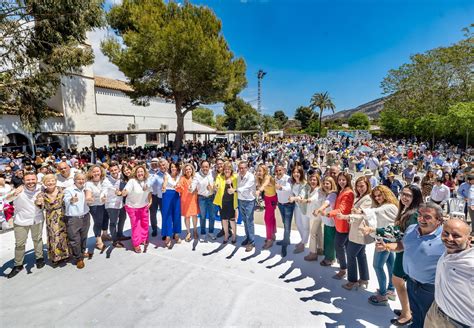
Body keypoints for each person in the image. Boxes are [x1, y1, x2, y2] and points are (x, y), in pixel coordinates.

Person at [377, 202, 445, 327]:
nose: (421, 219)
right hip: (411, 281)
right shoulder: (412, 228)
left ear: (439, 220)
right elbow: (403, 245)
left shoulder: (445, 239)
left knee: (427, 318)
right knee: (415, 312)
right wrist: (386, 246)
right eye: (420, 215)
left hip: (429, 288)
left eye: (427, 217)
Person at [377, 185, 423, 326]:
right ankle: (407, 310)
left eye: (408, 195)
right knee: (402, 283)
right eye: (403, 194)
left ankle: (406, 314)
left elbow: (403, 235)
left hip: (405, 253)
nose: (404, 197)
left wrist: (377, 231)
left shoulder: (414, 214)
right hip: (404, 252)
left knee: (398, 281)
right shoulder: (408, 210)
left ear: (415, 197)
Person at [424, 219, 473, 328]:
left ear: (469, 239)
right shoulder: (449, 251)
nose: (449, 239)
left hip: (458, 323)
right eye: (446, 233)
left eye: (456, 236)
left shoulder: (471, 264)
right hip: (435, 312)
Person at [360, 185, 399, 305]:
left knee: (377, 266)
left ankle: (382, 295)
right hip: (389, 237)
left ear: (386, 194)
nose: (377, 198)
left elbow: (376, 211)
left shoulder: (390, 206)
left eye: (379, 195)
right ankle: (391, 290)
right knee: (390, 263)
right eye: (375, 196)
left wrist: (361, 211)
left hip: (384, 239)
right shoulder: (389, 205)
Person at [6, 171, 45, 278]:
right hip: (21, 221)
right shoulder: (18, 190)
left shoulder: (41, 188)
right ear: (23, 181)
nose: (31, 182)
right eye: (28, 180)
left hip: (37, 219)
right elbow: (7, 199)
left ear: (36, 180)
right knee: (20, 244)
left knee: (38, 239)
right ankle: (18, 264)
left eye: (33, 179)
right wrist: (14, 193)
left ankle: (39, 258)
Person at [338, 176, 373, 290]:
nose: (360, 188)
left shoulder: (367, 199)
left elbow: (360, 215)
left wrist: (346, 216)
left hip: (359, 231)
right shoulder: (361, 197)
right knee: (361, 255)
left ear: (367, 185)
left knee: (351, 254)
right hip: (356, 230)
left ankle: (352, 281)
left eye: (362, 186)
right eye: (358, 186)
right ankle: (364, 278)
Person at [39, 174, 70, 265]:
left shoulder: (63, 190)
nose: (50, 182)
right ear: (44, 183)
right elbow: (39, 205)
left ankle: (66, 254)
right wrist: (38, 202)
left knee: (64, 235)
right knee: (53, 237)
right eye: (48, 181)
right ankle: (56, 257)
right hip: (51, 217)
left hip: (63, 215)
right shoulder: (42, 193)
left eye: (52, 180)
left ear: (56, 181)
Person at [329, 172, 354, 280]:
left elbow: (342, 209)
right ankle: (346, 267)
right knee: (345, 247)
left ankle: (343, 269)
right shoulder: (342, 191)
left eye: (343, 180)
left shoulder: (348, 192)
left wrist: (328, 214)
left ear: (347, 180)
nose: (341, 182)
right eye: (339, 180)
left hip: (344, 224)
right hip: (340, 223)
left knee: (338, 246)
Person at [122, 165, 152, 253]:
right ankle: (136, 244)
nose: (140, 173)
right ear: (135, 173)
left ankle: (143, 238)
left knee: (144, 223)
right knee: (135, 225)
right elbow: (126, 190)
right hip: (132, 206)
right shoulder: (132, 181)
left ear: (144, 172)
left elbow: (149, 192)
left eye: (141, 171)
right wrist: (123, 192)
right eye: (138, 172)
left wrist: (150, 201)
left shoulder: (147, 180)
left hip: (143, 205)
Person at [63, 172, 90, 269]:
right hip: (73, 218)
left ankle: (82, 253)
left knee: (84, 237)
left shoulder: (86, 189)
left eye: (83, 179)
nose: (81, 181)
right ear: (74, 180)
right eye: (79, 179)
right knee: (75, 239)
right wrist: (71, 200)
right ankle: (78, 258)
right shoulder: (69, 190)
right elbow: (66, 199)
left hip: (85, 216)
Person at [300, 173, 323, 260]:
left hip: (316, 215)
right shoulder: (311, 189)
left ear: (318, 181)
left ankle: (313, 253)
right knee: (319, 232)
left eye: (314, 180)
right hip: (314, 215)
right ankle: (320, 249)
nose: (312, 181)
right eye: (311, 180)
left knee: (313, 234)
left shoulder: (318, 190)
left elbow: (314, 198)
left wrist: (306, 200)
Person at [191, 160, 216, 240]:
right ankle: (203, 232)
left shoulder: (212, 173)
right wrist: (191, 188)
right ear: (201, 167)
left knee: (212, 216)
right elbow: (193, 184)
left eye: (207, 167)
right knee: (202, 216)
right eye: (203, 167)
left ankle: (211, 232)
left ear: (209, 167)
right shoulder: (197, 175)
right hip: (202, 198)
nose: (205, 168)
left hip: (211, 197)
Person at [102, 161, 126, 248]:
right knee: (113, 223)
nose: (114, 172)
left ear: (118, 169)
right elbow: (104, 191)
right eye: (112, 170)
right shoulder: (106, 181)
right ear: (109, 171)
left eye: (115, 170)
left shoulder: (122, 177)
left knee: (123, 218)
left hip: (121, 203)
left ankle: (120, 234)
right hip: (112, 205)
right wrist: (103, 196)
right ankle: (115, 240)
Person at [234, 161, 256, 252]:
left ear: (247, 168)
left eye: (243, 168)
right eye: (240, 168)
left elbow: (246, 187)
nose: (241, 170)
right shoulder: (238, 176)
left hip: (249, 201)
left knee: (249, 221)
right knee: (245, 221)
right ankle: (248, 238)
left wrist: (235, 190)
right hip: (241, 200)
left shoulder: (251, 177)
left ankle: (252, 241)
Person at [84, 164, 108, 252]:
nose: (96, 173)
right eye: (94, 172)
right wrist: (90, 198)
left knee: (106, 218)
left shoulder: (104, 180)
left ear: (101, 172)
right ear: (91, 173)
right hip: (95, 206)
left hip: (104, 203)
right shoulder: (89, 183)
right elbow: (88, 196)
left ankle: (105, 235)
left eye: (98, 171)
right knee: (98, 222)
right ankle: (98, 240)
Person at [214, 161, 238, 244]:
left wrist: (232, 186)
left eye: (228, 169)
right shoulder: (220, 176)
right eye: (225, 169)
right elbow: (216, 183)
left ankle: (234, 235)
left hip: (231, 203)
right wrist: (215, 186)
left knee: (232, 220)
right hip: (222, 202)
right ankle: (226, 235)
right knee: (224, 220)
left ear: (231, 170)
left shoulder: (235, 177)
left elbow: (238, 189)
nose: (227, 170)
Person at [275, 163, 294, 257]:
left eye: (280, 170)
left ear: (284, 170)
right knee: (284, 223)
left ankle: (285, 244)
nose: (278, 172)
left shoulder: (288, 178)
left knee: (287, 225)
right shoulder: (275, 179)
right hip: (280, 204)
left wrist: (280, 187)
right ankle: (287, 239)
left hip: (288, 205)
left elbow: (289, 188)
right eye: (277, 170)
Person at [255, 164, 277, 249]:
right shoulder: (259, 178)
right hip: (267, 199)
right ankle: (273, 234)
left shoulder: (268, 177)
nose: (258, 172)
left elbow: (265, 184)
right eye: (258, 170)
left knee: (267, 219)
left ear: (265, 171)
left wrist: (259, 190)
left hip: (272, 199)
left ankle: (269, 240)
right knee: (271, 217)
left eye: (260, 171)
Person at [176, 163, 200, 241]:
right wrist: (178, 186)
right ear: (184, 171)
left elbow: (199, 187)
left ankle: (195, 230)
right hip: (185, 200)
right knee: (187, 216)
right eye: (186, 169)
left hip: (193, 199)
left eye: (189, 169)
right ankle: (188, 232)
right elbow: (179, 188)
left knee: (194, 216)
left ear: (192, 170)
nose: (188, 170)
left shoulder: (195, 178)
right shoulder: (182, 178)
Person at [160, 162, 182, 248]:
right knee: (167, 215)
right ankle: (168, 236)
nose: (173, 168)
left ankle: (176, 234)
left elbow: (180, 185)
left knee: (177, 215)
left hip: (176, 196)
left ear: (177, 168)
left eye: (175, 167)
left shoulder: (179, 176)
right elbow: (165, 183)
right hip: (167, 196)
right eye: (172, 167)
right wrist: (164, 187)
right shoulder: (166, 175)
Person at [289, 166, 309, 254]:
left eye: (298, 172)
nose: (296, 174)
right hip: (297, 206)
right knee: (298, 224)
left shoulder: (304, 183)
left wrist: (294, 198)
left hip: (304, 207)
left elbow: (302, 195)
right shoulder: (293, 183)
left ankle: (303, 243)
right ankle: (303, 240)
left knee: (305, 226)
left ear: (301, 173)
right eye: (294, 172)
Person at [148, 157, 163, 237]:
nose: (154, 164)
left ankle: (164, 230)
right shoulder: (147, 173)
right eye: (152, 162)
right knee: (153, 214)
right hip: (152, 196)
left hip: (161, 196)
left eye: (156, 163)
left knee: (164, 213)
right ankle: (154, 229)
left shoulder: (163, 172)